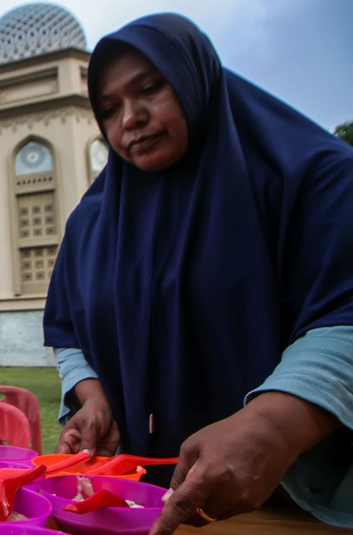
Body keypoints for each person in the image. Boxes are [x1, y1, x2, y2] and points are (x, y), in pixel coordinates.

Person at [43, 13, 353, 534]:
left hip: (293, 504)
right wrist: (92, 397)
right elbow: (69, 329)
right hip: (148, 501)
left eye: (149, 89)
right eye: (110, 108)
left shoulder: (312, 178)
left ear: (194, 78)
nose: (131, 118)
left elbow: (343, 308)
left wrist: (273, 428)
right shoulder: (93, 223)